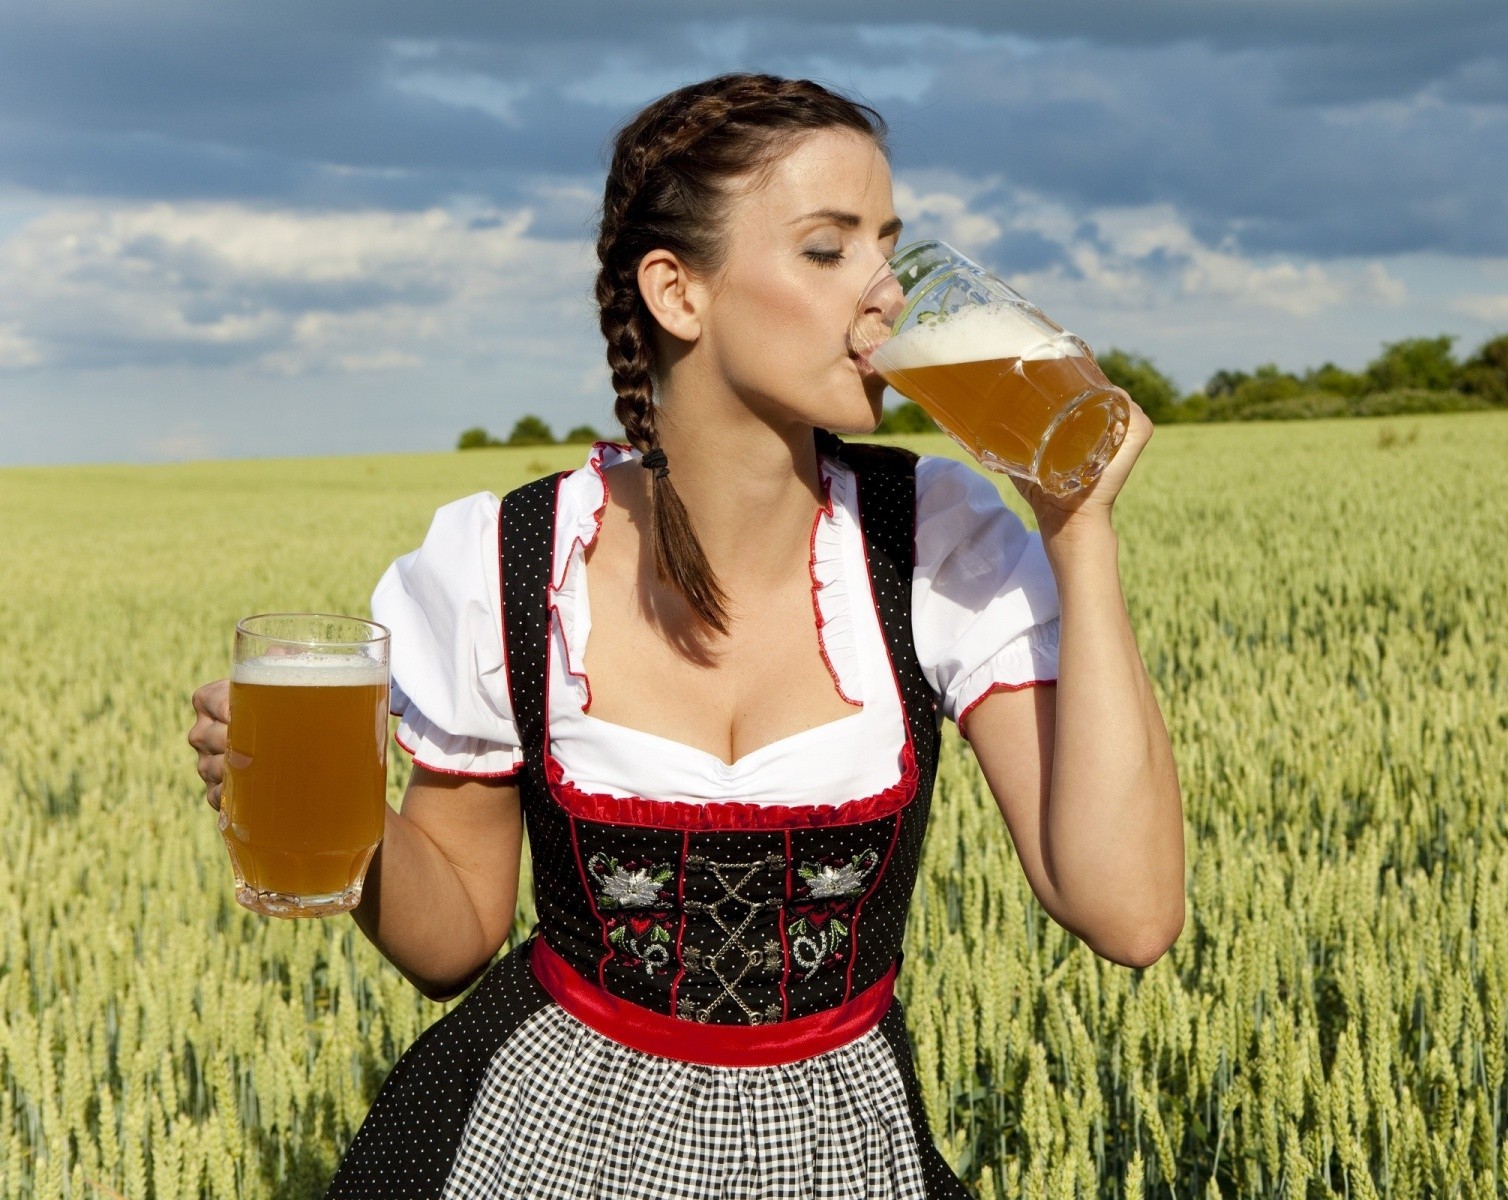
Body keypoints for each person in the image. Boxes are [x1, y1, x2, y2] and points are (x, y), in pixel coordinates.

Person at [187, 72, 1183, 1198]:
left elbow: (1132, 913)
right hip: (536, 1139)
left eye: (890, 249)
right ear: (678, 291)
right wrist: (333, 812)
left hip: (835, 1153)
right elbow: (455, 938)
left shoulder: (934, 545)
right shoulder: (508, 563)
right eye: (827, 250)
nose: (886, 299)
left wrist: (1077, 529)